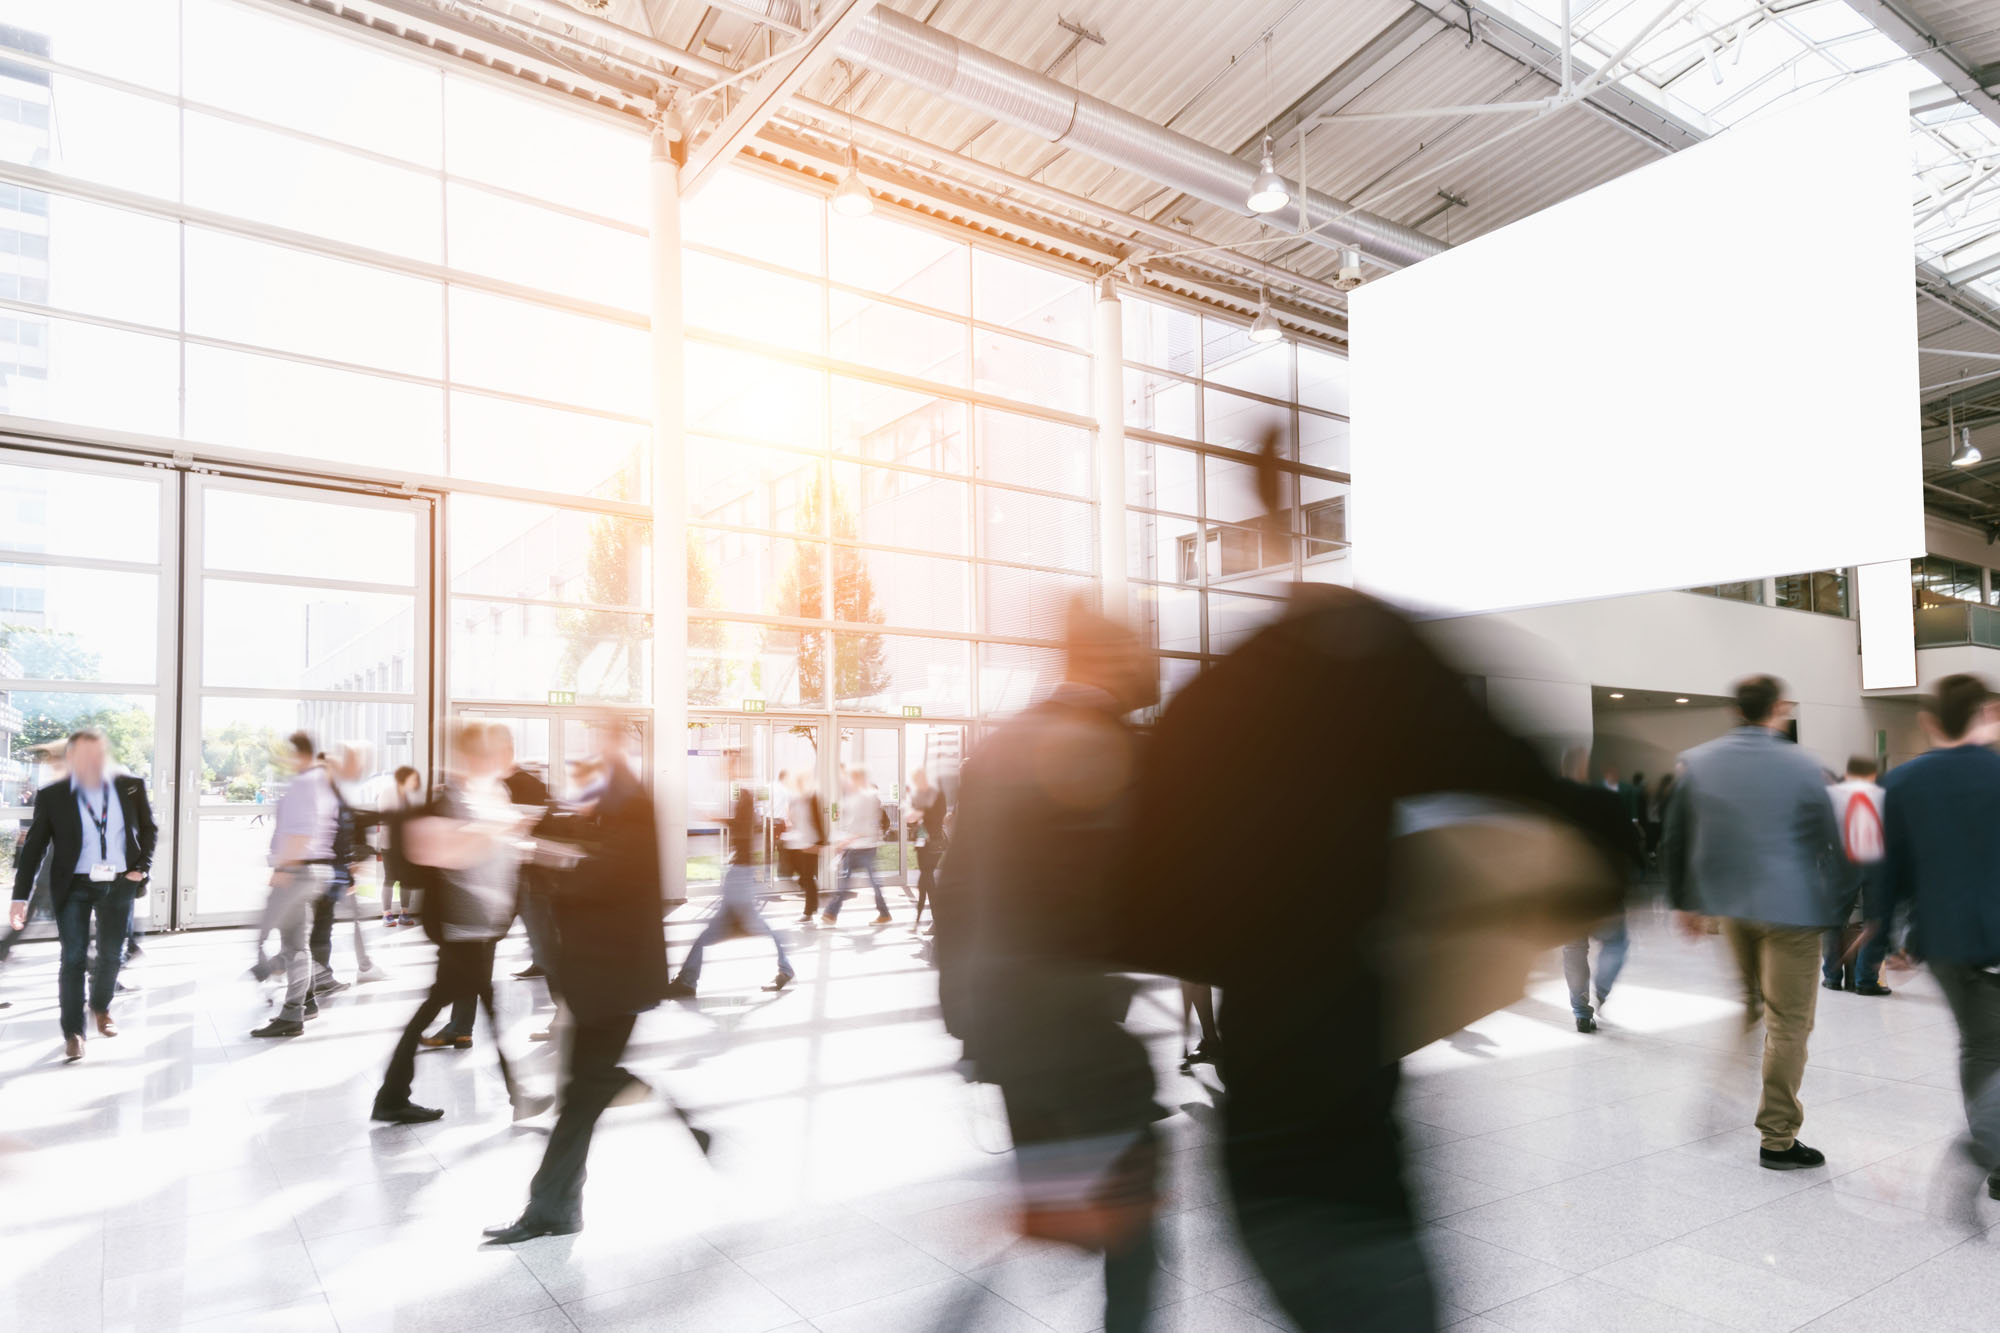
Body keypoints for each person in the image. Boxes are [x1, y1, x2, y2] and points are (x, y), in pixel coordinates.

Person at [1115, 580, 1603, 1331]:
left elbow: (1147, 915)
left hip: (1277, 1147)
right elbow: (1559, 828)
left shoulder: (1213, 704)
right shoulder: (1355, 657)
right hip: (1336, 1161)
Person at [935, 602, 1163, 1333]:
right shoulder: (1106, 746)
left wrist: (968, 1022)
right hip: (1079, 1025)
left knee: (1092, 1197)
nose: (1141, 666)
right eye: (1130, 652)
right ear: (1102, 658)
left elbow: (955, 890)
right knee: (1133, 1222)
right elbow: (1135, 886)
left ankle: (1061, 1207)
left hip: (1009, 1018)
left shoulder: (998, 746)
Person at [484, 716, 692, 1245]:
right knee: (581, 1093)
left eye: (597, 736)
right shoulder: (610, 795)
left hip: (614, 973)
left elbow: (608, 875)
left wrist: (547, 856)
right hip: (603, 972)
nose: (588, 745)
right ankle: (556, 1207)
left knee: (582, 1092)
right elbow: (593, 855)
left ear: (619, 741)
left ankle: (552, 1207)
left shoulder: (630, 799)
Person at [1663, 673, 1844, 1171]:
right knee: (1789, 1023)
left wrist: (1685, 902)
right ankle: (1777, 1137)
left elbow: (1675, 837)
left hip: (1732, 908)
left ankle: (1726, 1079)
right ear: (1779, 708)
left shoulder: (1698, 763)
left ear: (1735, 710)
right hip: (1793, 911)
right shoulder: (1807, 765)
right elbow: (1834, 842)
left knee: (1748, 1003)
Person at [372, 721, 545, 1124]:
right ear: (475, 756)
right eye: (496, 752)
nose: (505, 759)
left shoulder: (491, 794)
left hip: (481, 926)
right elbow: (449, 854)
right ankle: (394, 1095)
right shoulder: (452, 797)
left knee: (476, 1005)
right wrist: (497, 831)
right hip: (461, 926)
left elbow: (497, 856)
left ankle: (394, 1095)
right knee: (466, 1006)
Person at [1880, 674, 2000, 1199]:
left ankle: (1991, 1150)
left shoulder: (1900, 783)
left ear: (1930, 722)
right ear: (1987, 714)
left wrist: (1893, 938)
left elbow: (1889, 871)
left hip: (1946, 940)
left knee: (1979, 1048)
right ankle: (1985, 1150)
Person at [9, 729, 157, 1062]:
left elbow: (149, 828)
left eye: (100, 754)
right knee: (73, 958)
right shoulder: (53, 795)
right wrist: (19, 897)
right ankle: (73, 1032)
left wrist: (141, 869)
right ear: (73, 758)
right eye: (87, 755)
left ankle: (101, 1008)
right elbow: (34, 849)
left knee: (111, 954)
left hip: (120, 883)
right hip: (73, 885)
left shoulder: (130, 786)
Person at [664, 749, 793, 998]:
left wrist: (717, 819)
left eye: (728, 763)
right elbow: (747, 827)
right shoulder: (745, 794)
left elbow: (744, 828)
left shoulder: (745, 793)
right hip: (739, 872)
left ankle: (688, 981)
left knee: (755, 927)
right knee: (714, 931)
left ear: (737, 767)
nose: (724, 767)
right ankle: (687, 980)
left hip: (740, 875)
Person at [251, 732, 339, 1038]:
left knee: (275, 938)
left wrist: (284, 868)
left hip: (298, 871)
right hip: (311, 871)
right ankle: (297, 1009)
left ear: (299, 753)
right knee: (296, 944)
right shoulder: (321, 783)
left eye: (287, 753)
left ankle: (286, 1000)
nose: (283, 759)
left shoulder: (304, 784)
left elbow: (301, 833)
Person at [1561, 747, 1642, 1033]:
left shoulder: (1551, 806)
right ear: (1584, 769)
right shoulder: (1606, 801)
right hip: (1602, 890)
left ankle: (1581, 1011)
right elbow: (1630, 843)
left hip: (1566, 893)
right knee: (1616, 943)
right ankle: (1603, 989)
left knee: (1574, 949)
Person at [310, 744, 383, 991]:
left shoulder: (325, 791)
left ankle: (321, 974)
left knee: (322, 924)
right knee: (322, 925)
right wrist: (350, 874)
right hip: (327, 872)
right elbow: (338, 834)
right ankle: (318, 978)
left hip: (326, 871)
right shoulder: (326, 793)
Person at [1823, 755, 1890, 996]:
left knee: (1833, 921)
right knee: (1876, 920)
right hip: (1877, 860)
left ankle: (1832, 976)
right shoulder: (1883, 793)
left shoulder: (1831, 794)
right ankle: (1866, 980)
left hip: (1841, 860)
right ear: (1872, 774)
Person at [824, 766, 888, 926]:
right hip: (858, 846)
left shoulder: (866, 797)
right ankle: (832, 913)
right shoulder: (858, 797)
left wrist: (845, 841)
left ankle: (831, 913)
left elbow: (863, 826)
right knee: (860, 880)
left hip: (861, 846)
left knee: (850, 880)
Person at [380, 765, 425, 926]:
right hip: (390, 844)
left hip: (407, 845)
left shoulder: (413, 795)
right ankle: (387, 913)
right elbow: (387, 817)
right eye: (413, 779)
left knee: (406, 879)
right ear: (403, 779)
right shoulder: (387, 792)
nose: (416, 782)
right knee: (390, 878)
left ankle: (404, 912)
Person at [781, 770, 827, 923]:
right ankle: (812, 901)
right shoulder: (794, 798)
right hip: (797, 842)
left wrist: (821, 842)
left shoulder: (812, 797)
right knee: (798, 874)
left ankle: (809, 911)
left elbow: (819, 820)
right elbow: (791, 818)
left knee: (807, 877)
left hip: (810, 842)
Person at [906, 766, 948, 931]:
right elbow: (912, 820)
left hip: (934, 843)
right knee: (924, 882)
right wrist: (913, 817)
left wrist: (921, 813)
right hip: (922, 844)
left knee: (926, 881)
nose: (918, 783)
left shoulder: (937, 795)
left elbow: (938, 818)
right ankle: (924, 922)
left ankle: (927, 921)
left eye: (918, 780)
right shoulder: (918, 795)